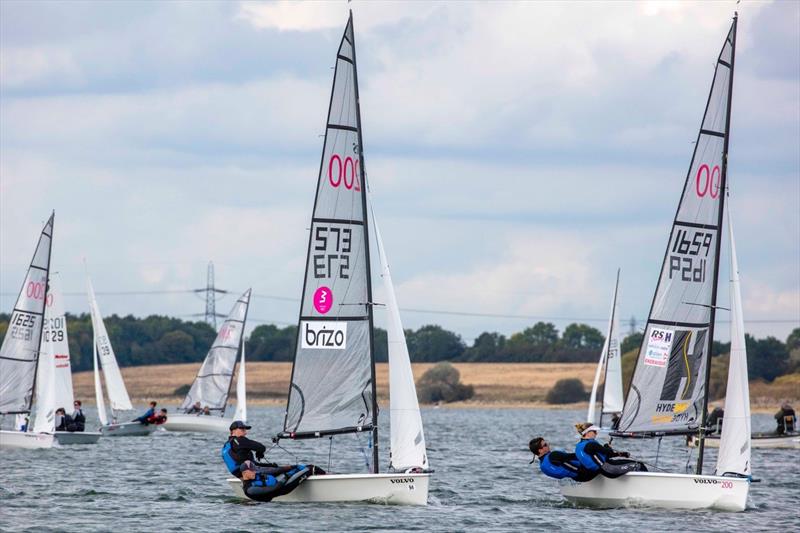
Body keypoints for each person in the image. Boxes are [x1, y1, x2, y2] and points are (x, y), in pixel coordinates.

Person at [221, 421, 323, 502]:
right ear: (233, 431)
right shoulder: (240, 440)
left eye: (245, 430)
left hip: (242, 474)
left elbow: (239, 459)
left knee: (273, 466)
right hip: (252, 470)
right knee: (284, 469)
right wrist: (259, 452)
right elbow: (261, 447)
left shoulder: (226, 446)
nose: (245, 432)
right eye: (242, 429)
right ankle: (314, 472)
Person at [574, 423, 646, 478]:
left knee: (635, 463)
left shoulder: (580, 445)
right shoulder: (591, 444)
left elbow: (606, 454)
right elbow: (608, 451)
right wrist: (607, 447)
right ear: (587, 432)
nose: (596, 433)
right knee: (639, 465)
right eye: (594, 432)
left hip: (604, 468)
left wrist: (621, 454)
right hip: (609, 469)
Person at [529, 437, 596, 482]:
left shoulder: (542, 466)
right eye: (545, 444)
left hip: (577, 479)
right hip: (587, 473)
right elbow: (576, 456)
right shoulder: (553, 456)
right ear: (540, 450)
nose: (548, 445)